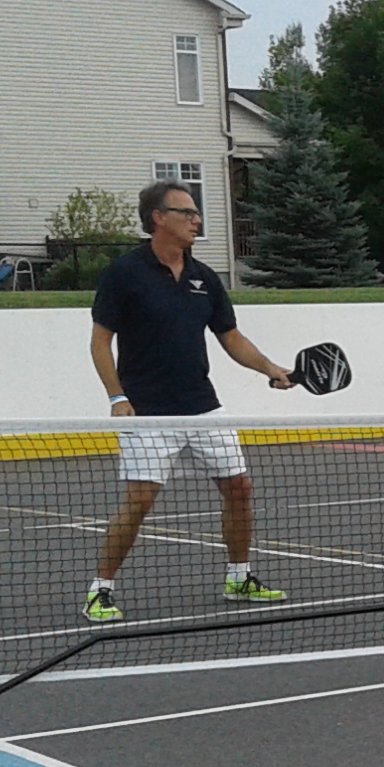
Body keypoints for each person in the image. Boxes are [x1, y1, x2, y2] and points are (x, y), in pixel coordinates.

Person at [83, 180, 294, 623]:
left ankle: (239, 576)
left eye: (196, 213)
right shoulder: (125, 273)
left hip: (203, 406)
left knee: (239, 487)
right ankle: (100, 590)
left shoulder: (205, 277)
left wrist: (271, 369)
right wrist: (117, 396)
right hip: (146, 411)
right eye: (188, 213)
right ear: (158, 218)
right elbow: (101, 342)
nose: (197, 220)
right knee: (140, 500)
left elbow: (230, 337)